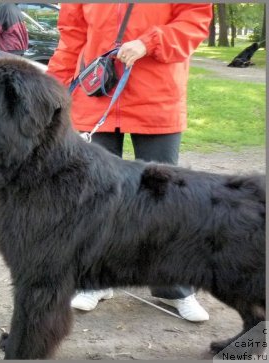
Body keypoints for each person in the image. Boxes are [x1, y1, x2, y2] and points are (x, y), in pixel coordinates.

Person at [46, 3, 213, 322]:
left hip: (157, 100)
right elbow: (72, 37)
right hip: (97, 97)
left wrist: (150, 42)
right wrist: (53, 90)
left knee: (165, 199)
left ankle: (174, 286)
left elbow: (195, 20)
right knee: (96, 199)